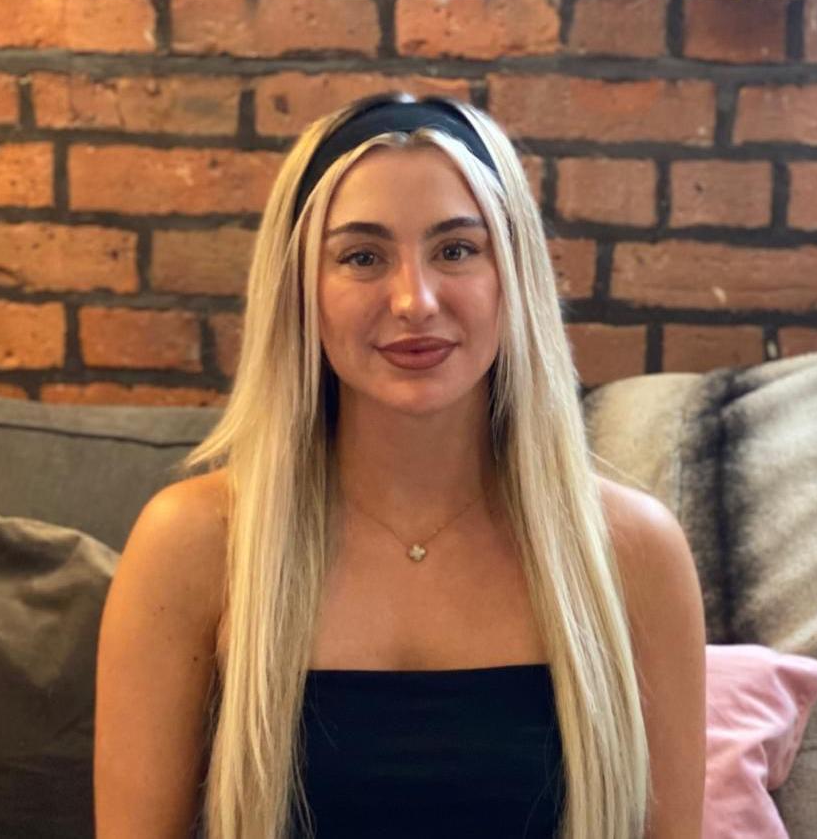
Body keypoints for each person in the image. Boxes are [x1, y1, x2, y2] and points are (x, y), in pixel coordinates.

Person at [95, 93, 706, 839]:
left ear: (511, 278)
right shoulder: (193, 544)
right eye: (362, 256)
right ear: (300, 292)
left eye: (456, 249)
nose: (414, 299)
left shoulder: (633, 549)